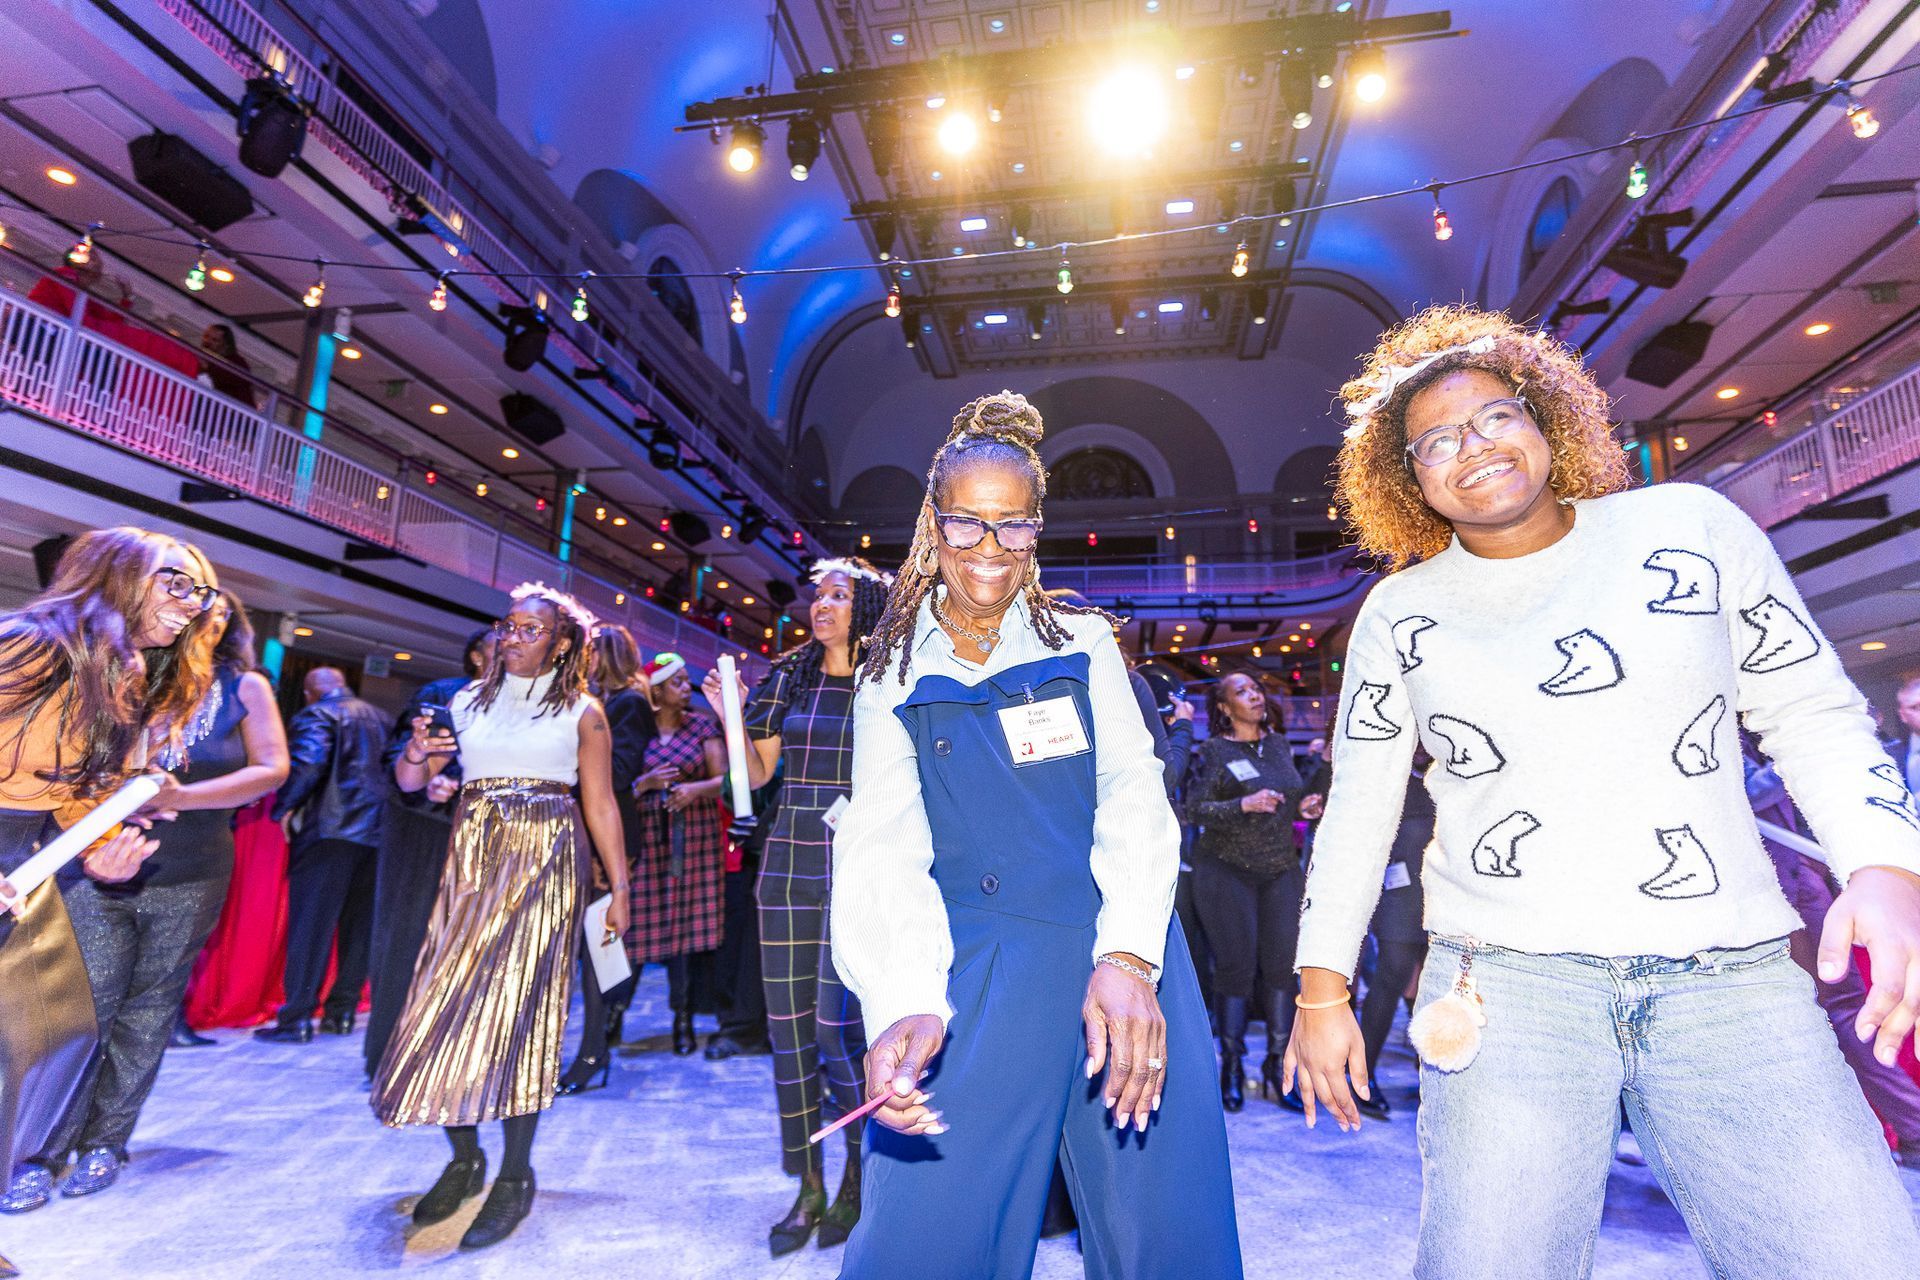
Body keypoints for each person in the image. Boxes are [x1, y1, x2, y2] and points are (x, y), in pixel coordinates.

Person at [1285, 305, 1920, 1279]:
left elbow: (1811, 708)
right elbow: (1360, 812)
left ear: (1546, 418)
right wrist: (1323, 987)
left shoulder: (1689, 527)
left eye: (1495, 416)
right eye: (1436, 442)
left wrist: (1885, 861)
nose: (1474, 447)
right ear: (1408, 482)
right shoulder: (1400, 615)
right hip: (1507, 988)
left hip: (1729, 977)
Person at [830, 391, 1241, 1279]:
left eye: (1012, 528)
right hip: (976, 969)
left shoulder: (1086, 642)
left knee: (1164, 1231)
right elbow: (881, 847)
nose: (989, 551)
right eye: (966, 525)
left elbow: (1135, 794)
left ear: (1037, 530)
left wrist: (1131, 959)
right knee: (923, 1237)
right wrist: (902, 997)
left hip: (1120, 957)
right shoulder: (890, 677)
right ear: (932, 527)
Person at [374, 584, 629, 1250]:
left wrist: (620, 887)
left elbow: (601, 805)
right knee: (442, 1003)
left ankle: (515, 1174)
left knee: (523, 1009)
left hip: (548, 857)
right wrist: (418, 758)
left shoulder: (583, 711)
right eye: (507, 626)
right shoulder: (461, 702)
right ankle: (465, 1157)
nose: (510, 637)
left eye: (528, 628)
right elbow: (409, 784)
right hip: (473, 858)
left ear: (563, 642)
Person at [14, 592, 287, 1205]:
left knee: (148, 1010)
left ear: (229, 626)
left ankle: (106, 1142)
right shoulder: (124, 671)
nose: (199, 620)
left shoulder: (244, 687)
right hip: (92, 862)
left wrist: (180, 797)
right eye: (188, 606)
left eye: (214, 613)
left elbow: (272, 770)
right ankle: (38, 1151)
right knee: (80, 1011)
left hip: (191, 868)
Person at [0, 528, 220, 1234]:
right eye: (175, 583)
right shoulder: (33, 644)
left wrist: (97, 852)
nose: (193, 603)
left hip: (27, 859)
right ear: (117, 575)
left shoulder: (116, 671)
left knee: (32, 1041)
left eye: (201, 591)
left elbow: (66, 791)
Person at [705, 556, 890, 1255]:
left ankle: (858, 1172)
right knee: (787, 1035)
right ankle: (808, 1181)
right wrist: (729, 720)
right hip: (788, 852)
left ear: (865, 605)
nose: (823, 605)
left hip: (860, 859)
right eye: (818, 596)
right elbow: (756, 773)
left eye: (840, 595)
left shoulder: (888, 676)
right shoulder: (789, 672)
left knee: (830, 1028)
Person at [1185, 671, 1321, 1112]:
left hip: (1280, 868)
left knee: (1283, 969)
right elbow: (1194, 808)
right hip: (1226, 871)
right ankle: (1231, 1066)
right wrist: (1243, 803)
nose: (1255, 695)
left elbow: (1289, 797)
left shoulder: (1279, 744)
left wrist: (1303, 807)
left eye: (1256, 688)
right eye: (1242, 692)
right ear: (1224, 708)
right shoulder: (1214, 750)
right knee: (1236, 969)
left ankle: (1279, 1064)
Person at [364, 628, 494, 1077]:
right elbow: (399, 763)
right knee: (408, 943)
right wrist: (430, 785)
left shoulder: (525, 705)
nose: (514, 646)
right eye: (503, 639)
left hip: (488, 840)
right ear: (476, 656)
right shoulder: (443, 695)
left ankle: (453, 1057)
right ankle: (390, 1055)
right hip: (425, 834)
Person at [257, 667, 387, 1042]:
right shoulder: (382, 717)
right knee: (358, 928)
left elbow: (308, 764)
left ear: (311, 693)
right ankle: (341, 1013)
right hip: (377, 835)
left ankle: (296, 1018)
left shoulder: (317, 714)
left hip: (329, 830)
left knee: (311, 927)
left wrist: (283, 807)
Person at [556, 623, 654, 1093]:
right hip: (586, 825)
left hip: (608, 830)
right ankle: (596, 1042)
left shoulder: (628, 704)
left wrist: (571, 758)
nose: (584, 656)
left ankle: (595, 1049)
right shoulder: (596, 703)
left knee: (599, 946)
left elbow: (619, 772)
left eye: (592, 649)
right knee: (589, 946)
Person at [624, 653, 725, 1055]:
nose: (687, 688)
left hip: (694, 839)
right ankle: (613, 1017)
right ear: (658, 690)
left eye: (687, 681)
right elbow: (614, 784)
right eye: (678, 682)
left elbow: (724, 779)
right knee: (633, 931)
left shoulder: (701, 725)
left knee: (683, 935)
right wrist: (645, 784)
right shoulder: (636, 728)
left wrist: (693, 790)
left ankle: (682, 1019)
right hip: (645, 840)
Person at [197, 324, 257, 409]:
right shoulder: (202, 358)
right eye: (206, 336)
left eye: (215, 340)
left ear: (226, 345)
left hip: (235, 414)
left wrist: (208, 367)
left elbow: (231, 378)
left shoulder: (237, 362)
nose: (207, 342)